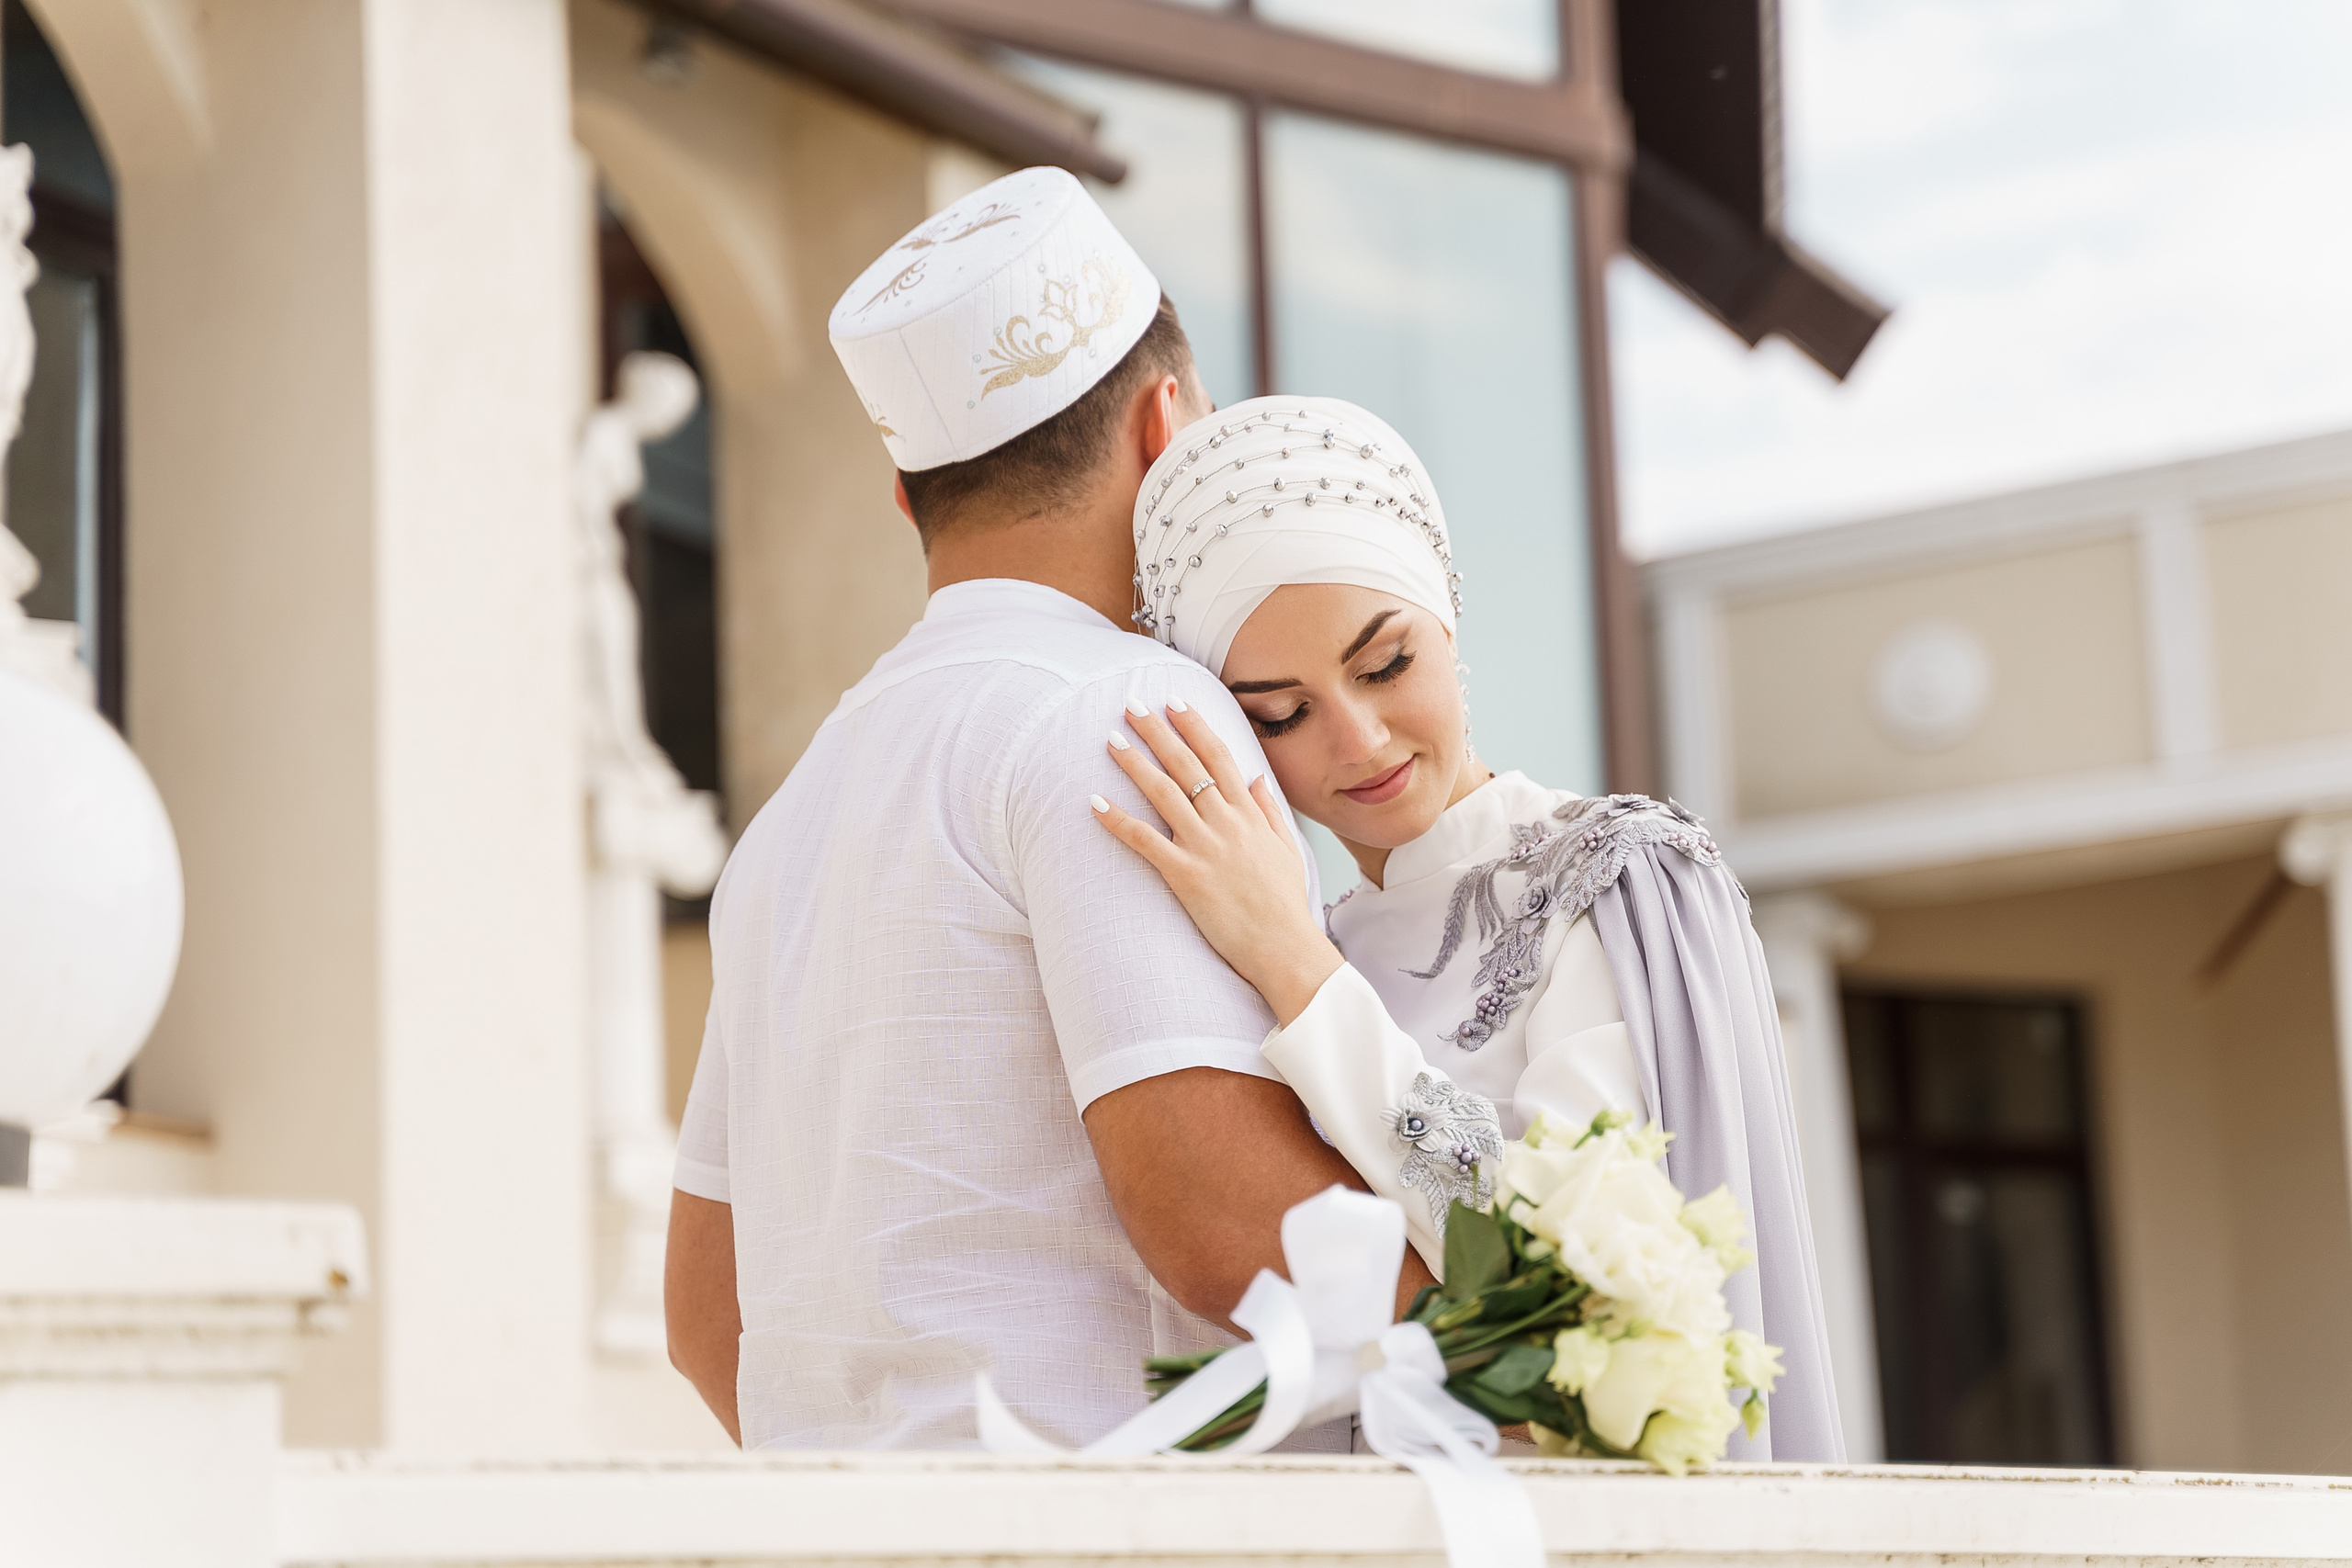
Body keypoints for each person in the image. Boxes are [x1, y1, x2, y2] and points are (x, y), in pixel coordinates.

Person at [662, 173, 1425, 1450]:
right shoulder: (1128, 710)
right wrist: (1532, 1334)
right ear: (1167, 425)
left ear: (909, 498)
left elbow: (702, 1318)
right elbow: (1220, 1226)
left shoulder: (790, 815)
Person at [1089, 395, 1844, 1461]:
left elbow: (1561, 1292)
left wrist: (1296, 971)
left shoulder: (1613, 879)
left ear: (1445, 613)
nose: (1358, 739)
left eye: (1386, 663)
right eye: (1280, 713)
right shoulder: (1304, 934)